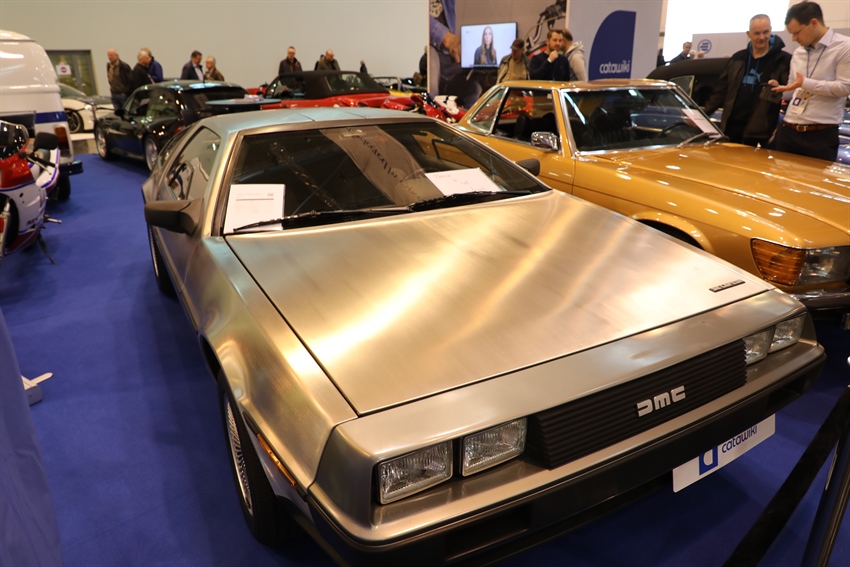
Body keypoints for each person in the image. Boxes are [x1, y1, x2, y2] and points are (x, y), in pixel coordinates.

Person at [769, 1, 850, 162]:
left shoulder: (844, 47)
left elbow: (845, 87)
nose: (794, 39)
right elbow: (794, 89)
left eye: (797, 32)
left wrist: (806, 83)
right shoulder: (799, 52)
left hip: (819, 134)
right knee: (777, 177)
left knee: (813, 178)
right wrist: (781, 89)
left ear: (813, 23)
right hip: (788, 129)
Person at [702, 14, 791, 148]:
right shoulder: (738, 58)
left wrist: (782, 128)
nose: (762, 37)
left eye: (765, 32)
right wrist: (703, 114)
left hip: (762, 133)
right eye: (757, 33)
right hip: (731, 128)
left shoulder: (783, 60)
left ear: (771, 30)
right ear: (748, 34)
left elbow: (790, 94)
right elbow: (721, 92)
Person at [429, 0, 481, 109]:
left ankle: (463, 120)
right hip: (426, 45)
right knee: (432, 88)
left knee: (474, 89)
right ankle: (430, 116)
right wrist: (445, 36)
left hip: (444, 52)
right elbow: (417, 16)